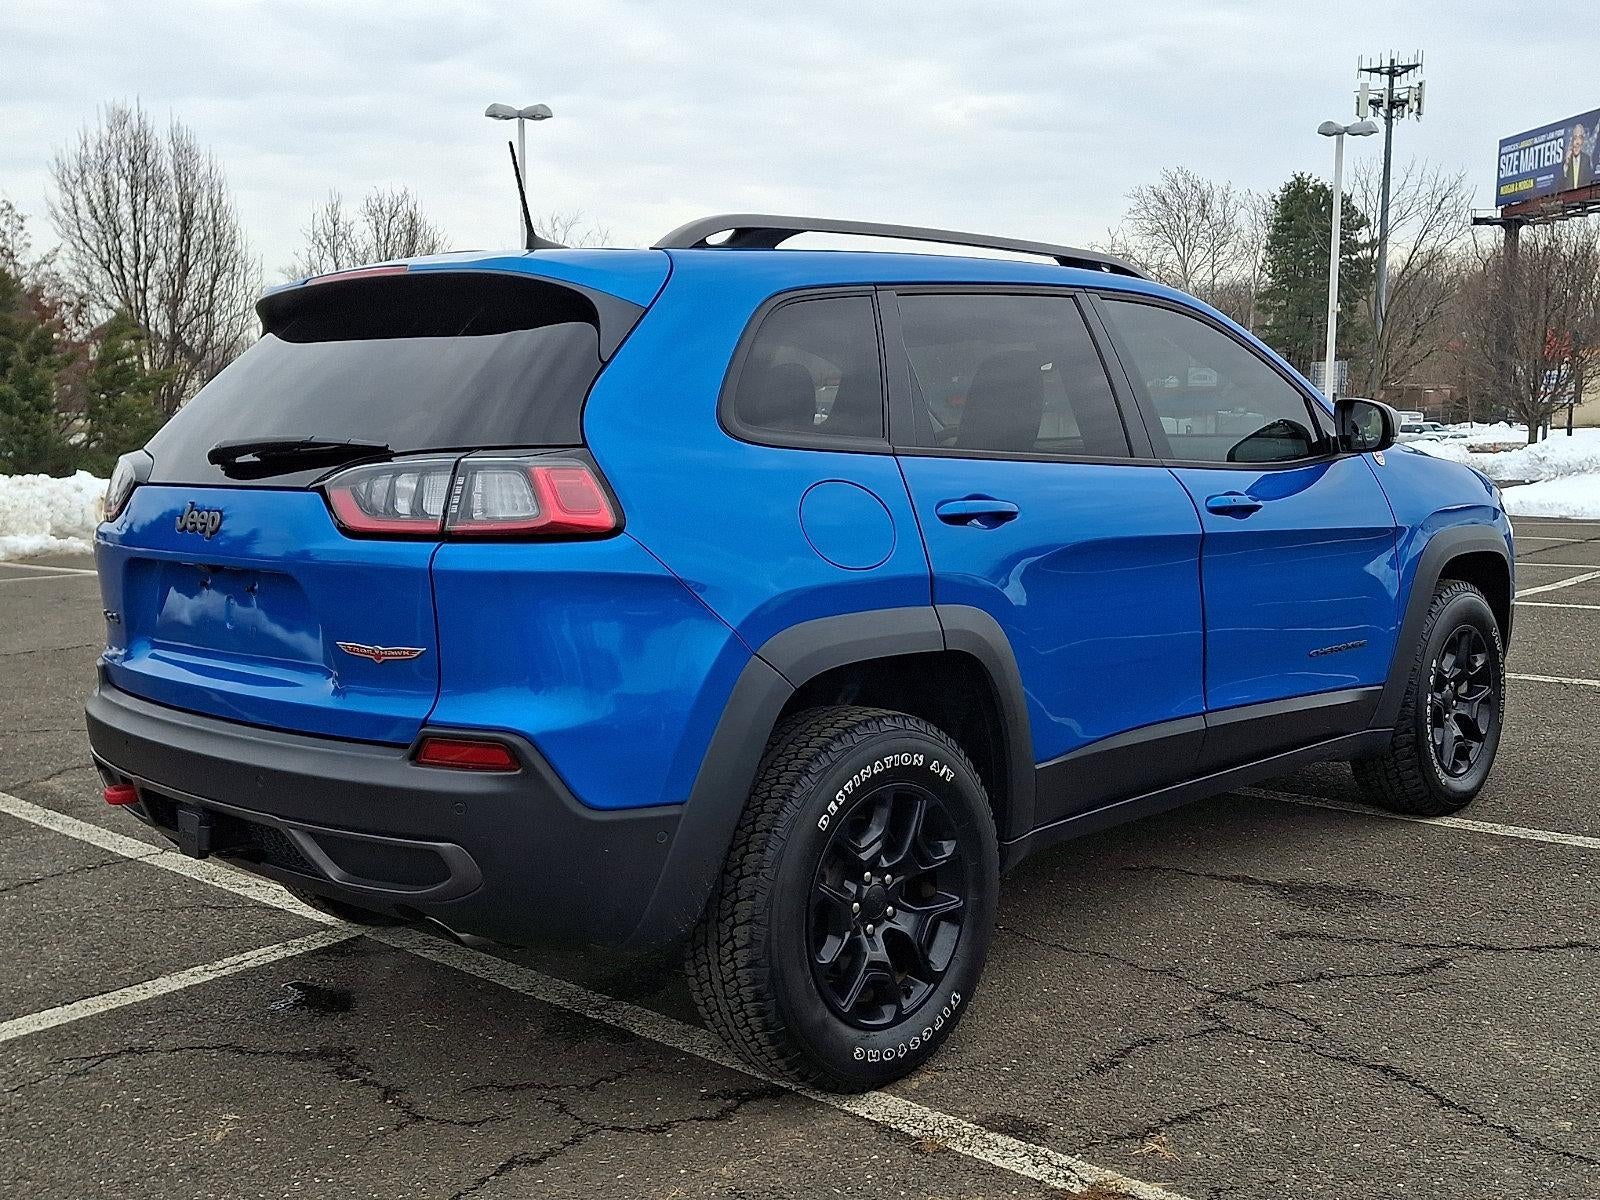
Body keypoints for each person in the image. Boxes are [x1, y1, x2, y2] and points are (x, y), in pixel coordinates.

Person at [1562, 121, 1592, 193]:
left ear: (1582, 141)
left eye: (1580, 137)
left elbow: (1589, 181)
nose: (1577, 142)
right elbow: (1560, 184)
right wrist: (1566, 163)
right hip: (1568, 197)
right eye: (1575, 137)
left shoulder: (1586, 159)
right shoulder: (1566, 160)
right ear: (1571, 140)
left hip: (1583, 195)